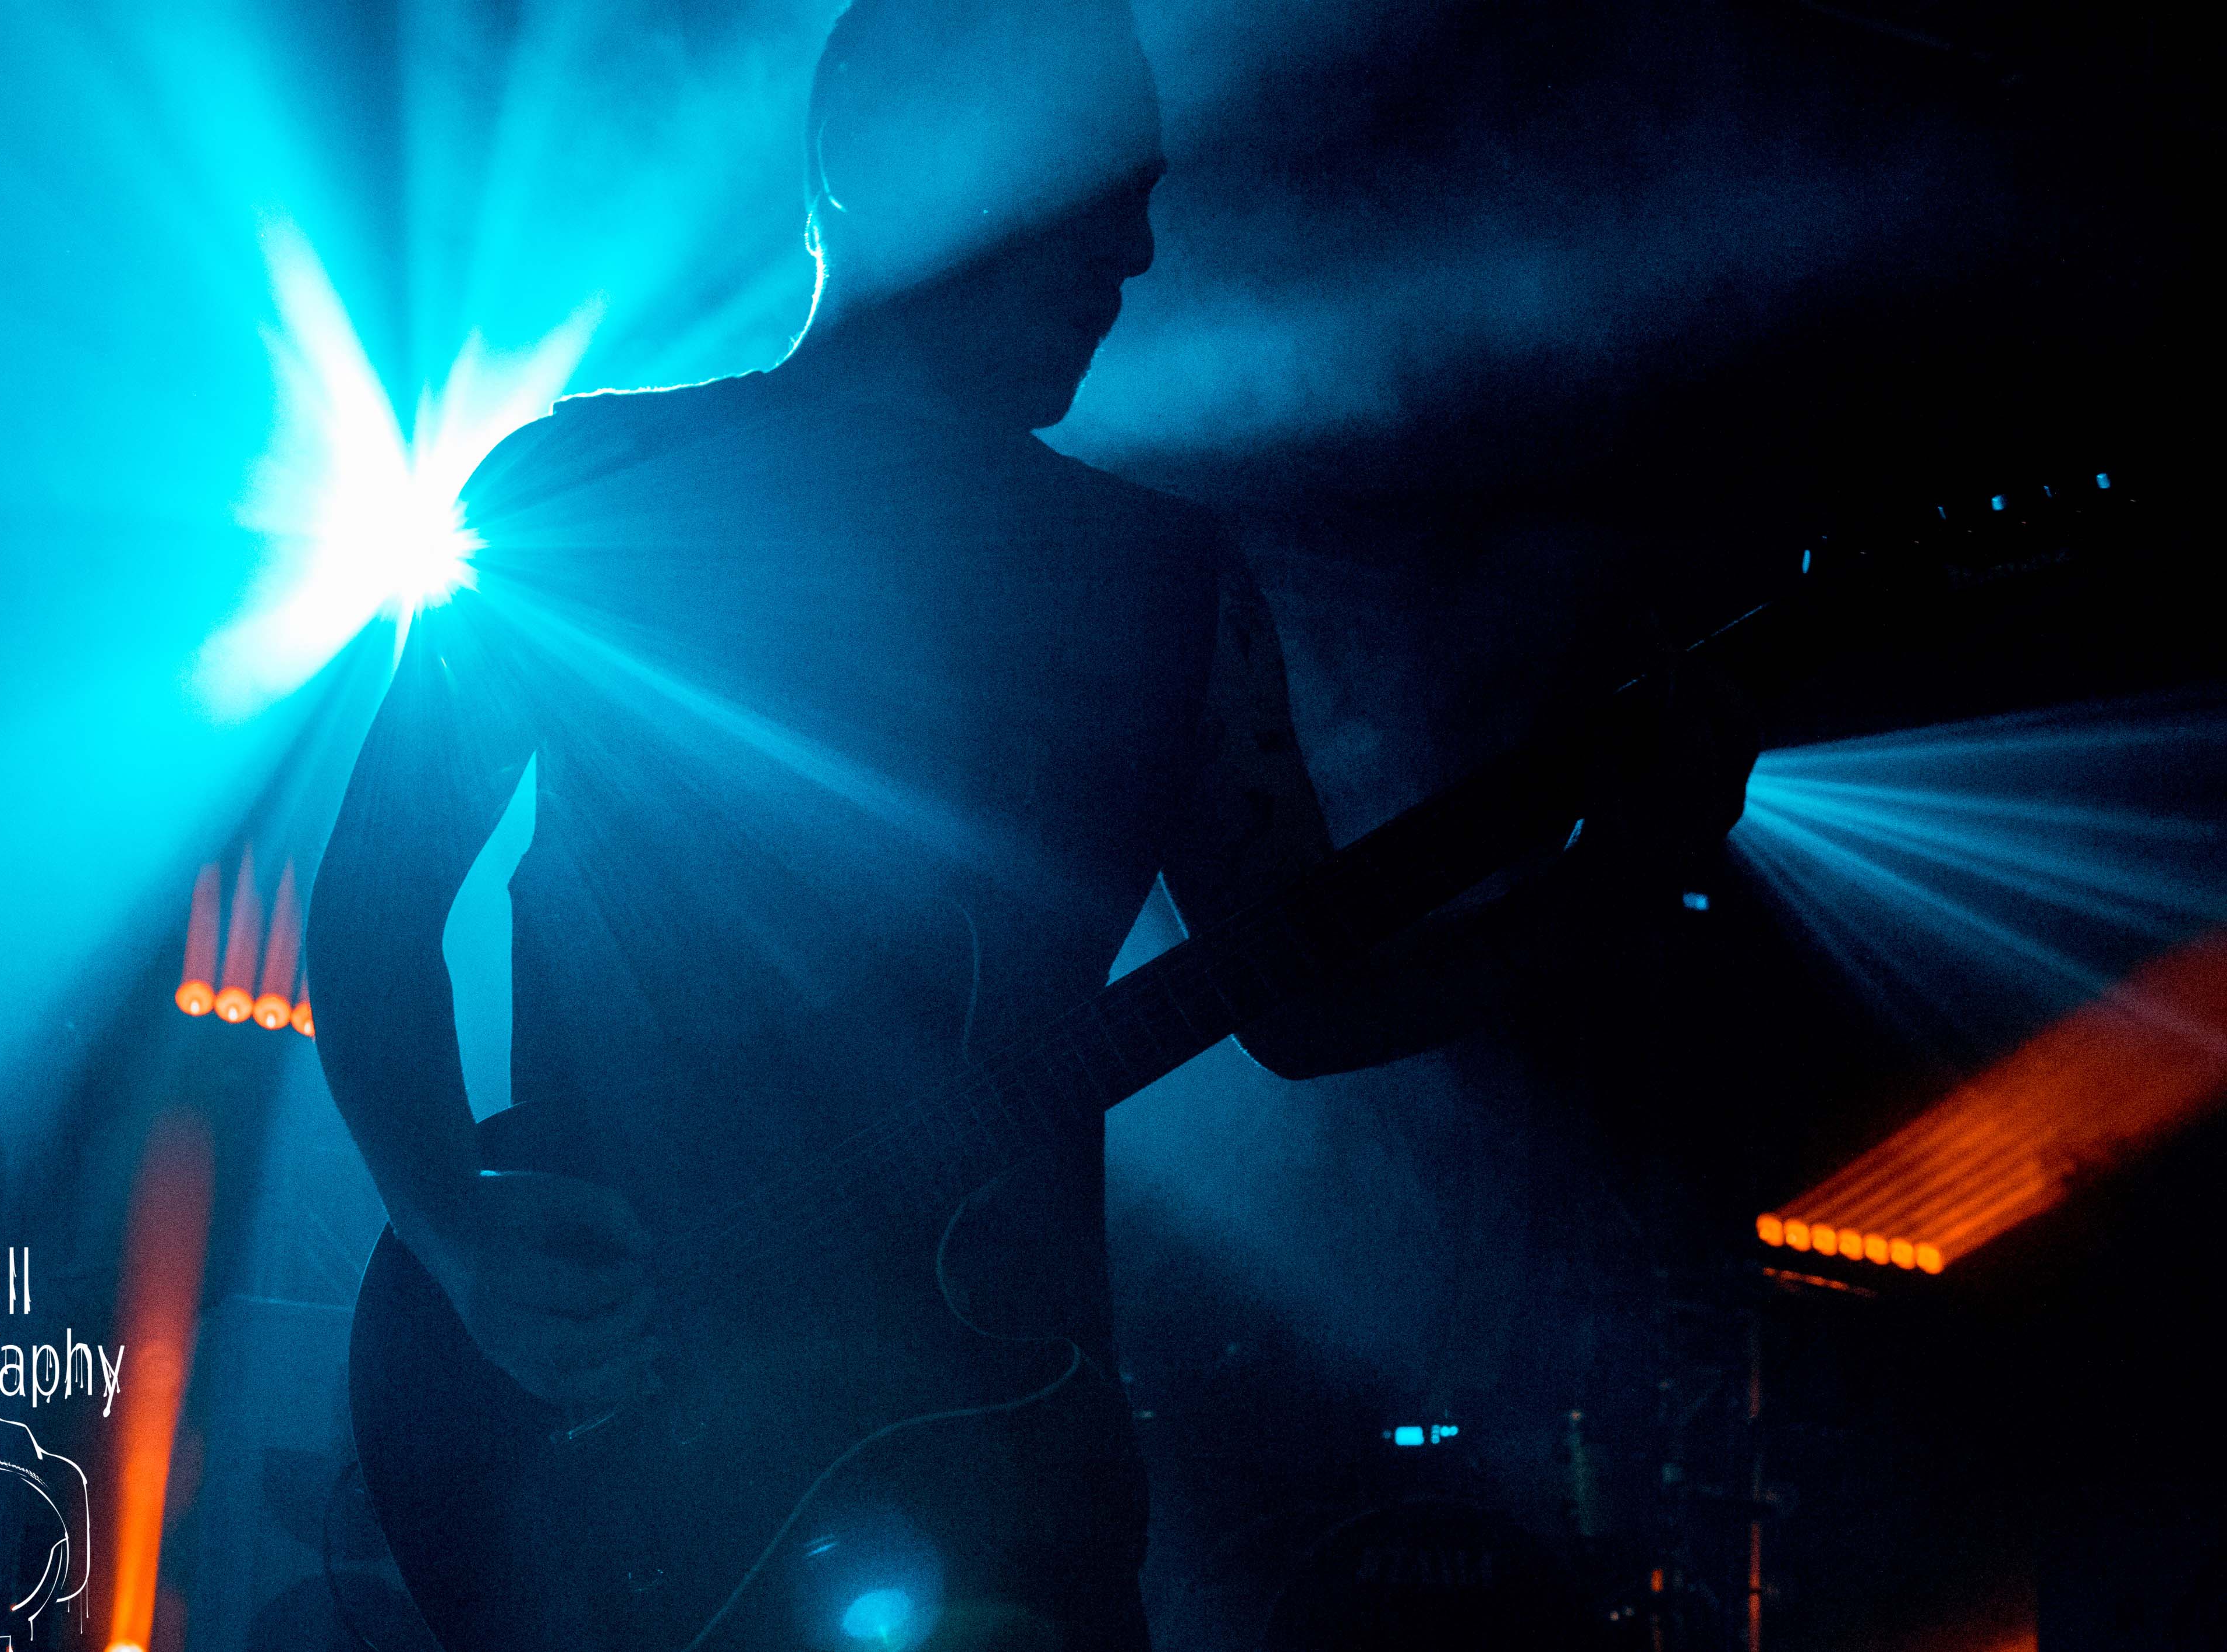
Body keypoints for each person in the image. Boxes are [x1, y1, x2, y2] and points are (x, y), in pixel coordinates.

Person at [309, 2, 1754, 1645]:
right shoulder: (595, 479)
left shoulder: (1169, 582)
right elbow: (374, 897)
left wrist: (1606, 885)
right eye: (1095, 190)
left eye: (1144, 196)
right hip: (651, 1447)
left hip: (999, 1463)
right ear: (891, 170)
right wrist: (457, 1231)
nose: (1138, 250)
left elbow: (1300, 1001)